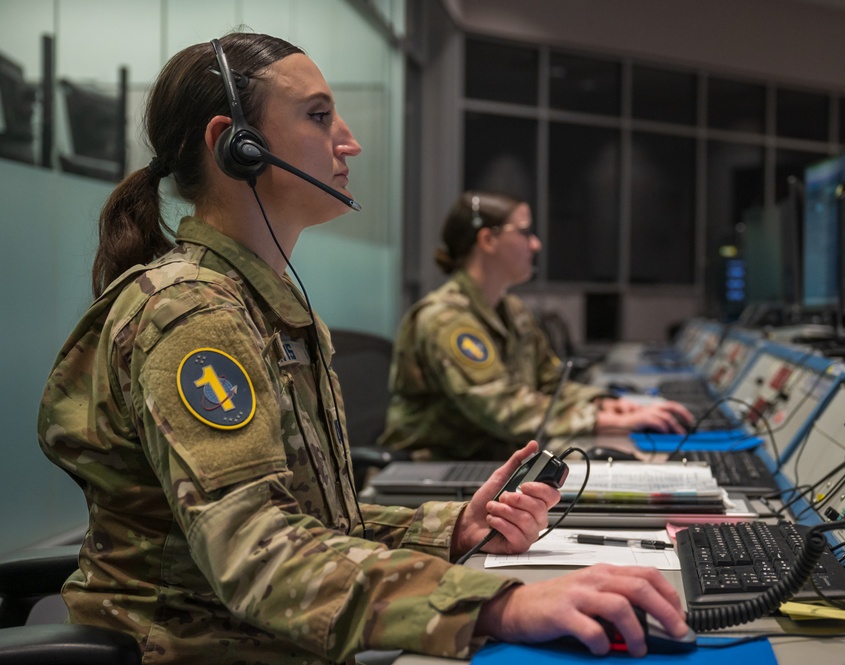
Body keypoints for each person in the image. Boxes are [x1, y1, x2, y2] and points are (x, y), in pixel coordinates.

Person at [36, 33, 688, 664]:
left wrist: (453, 528)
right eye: (319, 117)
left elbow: (312, 526)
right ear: (233, 145)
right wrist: (496, 603)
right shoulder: (195, 316)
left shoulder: (259, 304)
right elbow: (263, 554)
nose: (350, 140)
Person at [377, 191, 695, 461]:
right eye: (524, 232)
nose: (536, 244)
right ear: (488, 239)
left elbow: (550, 384)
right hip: (437, 472)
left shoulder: (513, 311)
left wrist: (609, 404)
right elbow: (503, 409)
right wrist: (606, 422)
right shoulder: (445, 319)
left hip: (494, 461)